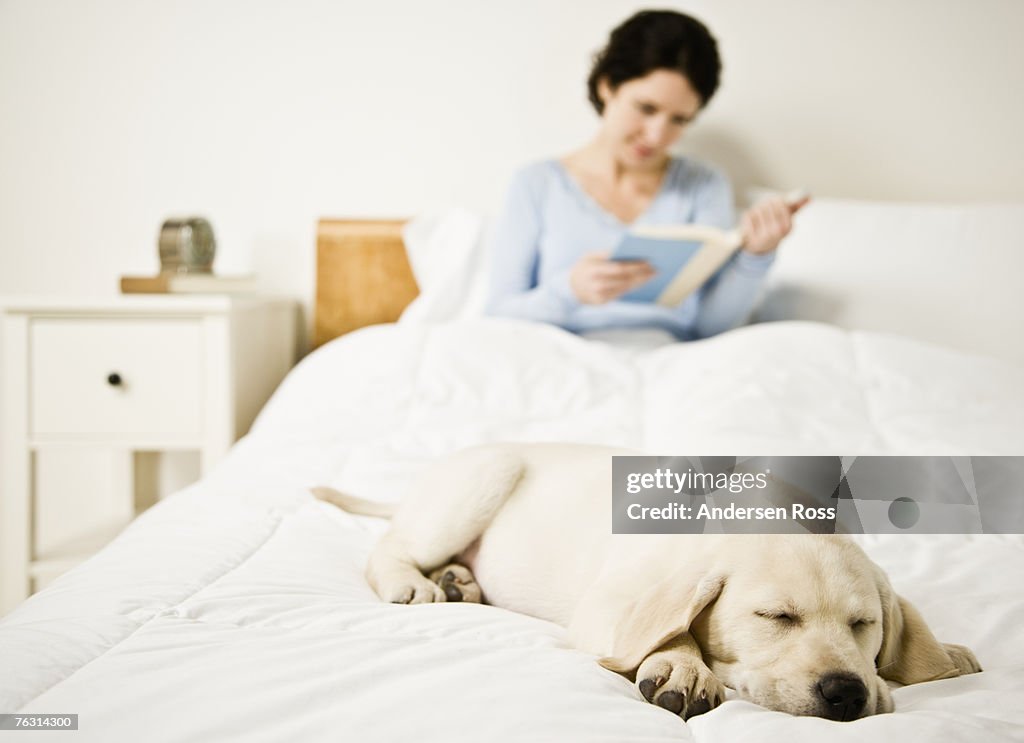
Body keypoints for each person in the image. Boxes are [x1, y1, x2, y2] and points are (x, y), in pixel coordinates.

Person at [486, 10, 808, 340]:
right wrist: (569, 291)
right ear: (607, 87)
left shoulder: (704, 186)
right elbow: (497, 315)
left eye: (679, 120)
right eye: (646, 109)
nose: (656, 136)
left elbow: (711, 328)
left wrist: (755, 256)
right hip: (562, 363)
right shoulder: (537, 184)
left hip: (669, 362)